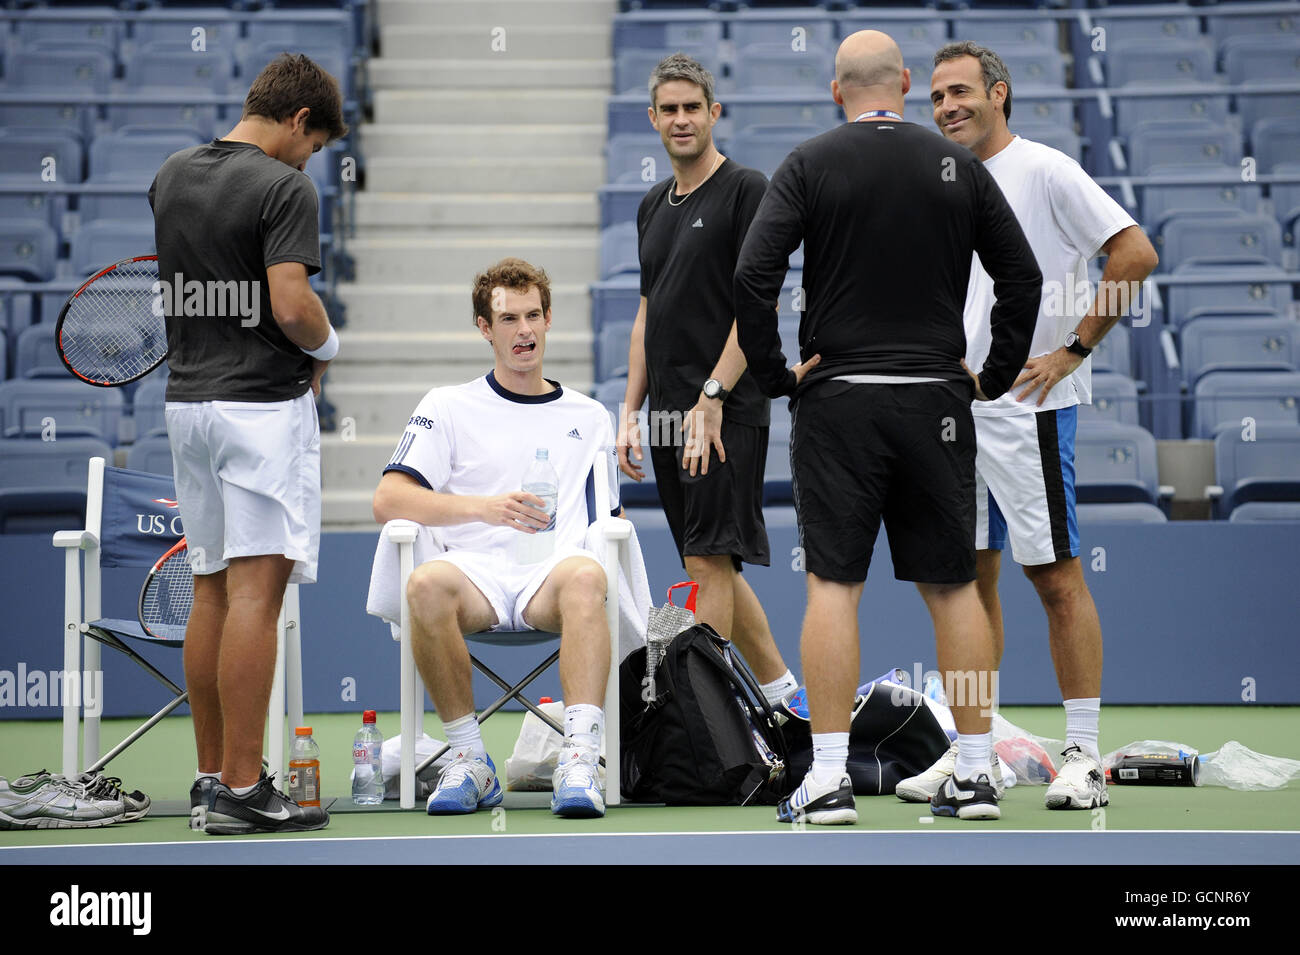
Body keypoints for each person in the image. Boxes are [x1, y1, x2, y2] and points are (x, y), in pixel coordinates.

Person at [733, 31, 1042, 824]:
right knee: (955, 587)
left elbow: (751, 276)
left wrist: (775, 376)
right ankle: (974, 772)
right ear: (905, 84)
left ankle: (830, 778)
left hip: (839, 402)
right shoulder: (959, 168)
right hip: (936, 402)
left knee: (835, 584)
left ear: (837, 90)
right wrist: (997, 372)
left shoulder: (809, 161)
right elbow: (1024, 276)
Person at [897, 42, 1159, 810]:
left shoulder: (1046, 170)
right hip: (952, 413)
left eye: (961, 92)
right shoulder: (937, 178)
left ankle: (1083, 754)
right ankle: (974, 751)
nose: (947, 107)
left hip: (1028, 411)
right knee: (967, 584)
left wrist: (1073, 349)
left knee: (1055, 580)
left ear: (999, 94)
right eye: (937, 96)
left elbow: (1133, 254)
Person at [149, 53, 347, 834]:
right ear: (299, 121)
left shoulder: (170, 174)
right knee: (257, 596)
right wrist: (328, 350)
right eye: (316, 145)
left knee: (212, 587)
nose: (312, 161)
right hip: (259, 410)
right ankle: (241, 787)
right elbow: (293, 305)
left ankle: (209, 780)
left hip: (187, 406)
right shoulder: (282, 184)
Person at [372, 258, 621, 819]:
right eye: (508, 319)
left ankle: (579, 757)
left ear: (549, 318)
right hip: (473, 575)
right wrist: (484, 508)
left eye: (534, 315)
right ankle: (469, 759)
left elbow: (606, 518)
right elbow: (388, 500)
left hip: (549, 574)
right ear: (485, 328)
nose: (524, 331)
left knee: (588, 574)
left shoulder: (590, 415)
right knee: (424, 586)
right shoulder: (447, 405)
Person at [617, 53, 798, 708]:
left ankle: (708, 716)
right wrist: (629, 409)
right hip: (668, 415)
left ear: (714, 113)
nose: (681, 118)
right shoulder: (649, 206)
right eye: (669, 109)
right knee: (712, 559)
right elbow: (647, 312)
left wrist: (713, 396)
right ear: (653, 119)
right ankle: (782, 694)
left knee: (705, 561)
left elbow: (760, 306)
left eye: (693, 107)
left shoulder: (748, 189)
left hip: (723, 410)